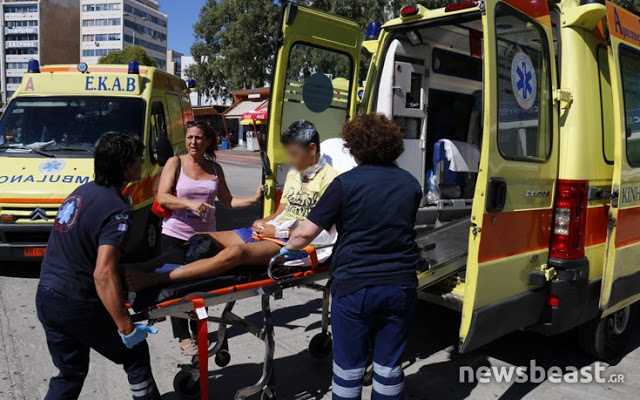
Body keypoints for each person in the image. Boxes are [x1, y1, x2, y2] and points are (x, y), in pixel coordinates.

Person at [282, 114, 422, 400]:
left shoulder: (345, 184)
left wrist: (285, 245)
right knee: (389, 369)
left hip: (354, 286)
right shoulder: (411, 184)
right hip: (400, 286)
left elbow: (304, 234)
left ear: (356, 147)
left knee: (348, 371)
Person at [124, 120, 338, 291]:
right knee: (203, 240)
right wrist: (262, 221)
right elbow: (282, 211)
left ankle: (155, 279)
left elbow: (324, 230)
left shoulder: (332, 181)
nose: (291, 160)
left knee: (235, 253)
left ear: (311, 149)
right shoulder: (295, 174)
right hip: (273, 232)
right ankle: (140, 268)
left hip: (294, 243)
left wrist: (280, 230)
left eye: (294, 154)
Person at [36, 133, 161, 400]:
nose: (142, 162)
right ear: (126, 166)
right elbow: (103, 274)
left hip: (48, 296)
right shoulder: (116, 209)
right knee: (135, 353)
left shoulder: (80, 193)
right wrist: (126, 326)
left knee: (70, 372)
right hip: (76, 302)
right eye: (139, 159)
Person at [158, 120, 262, 356]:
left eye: (198, 138)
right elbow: (163, 197)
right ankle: (183, 336)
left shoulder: (215, 169)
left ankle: (199, 332)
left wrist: (254, 200)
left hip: (206, 239)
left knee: (201, 287)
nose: (193, 142)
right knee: (173, 284)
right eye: (189, 137)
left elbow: (228, 201)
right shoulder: (175, 163)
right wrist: (189, 204)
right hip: (175, 234)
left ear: (208, 141)